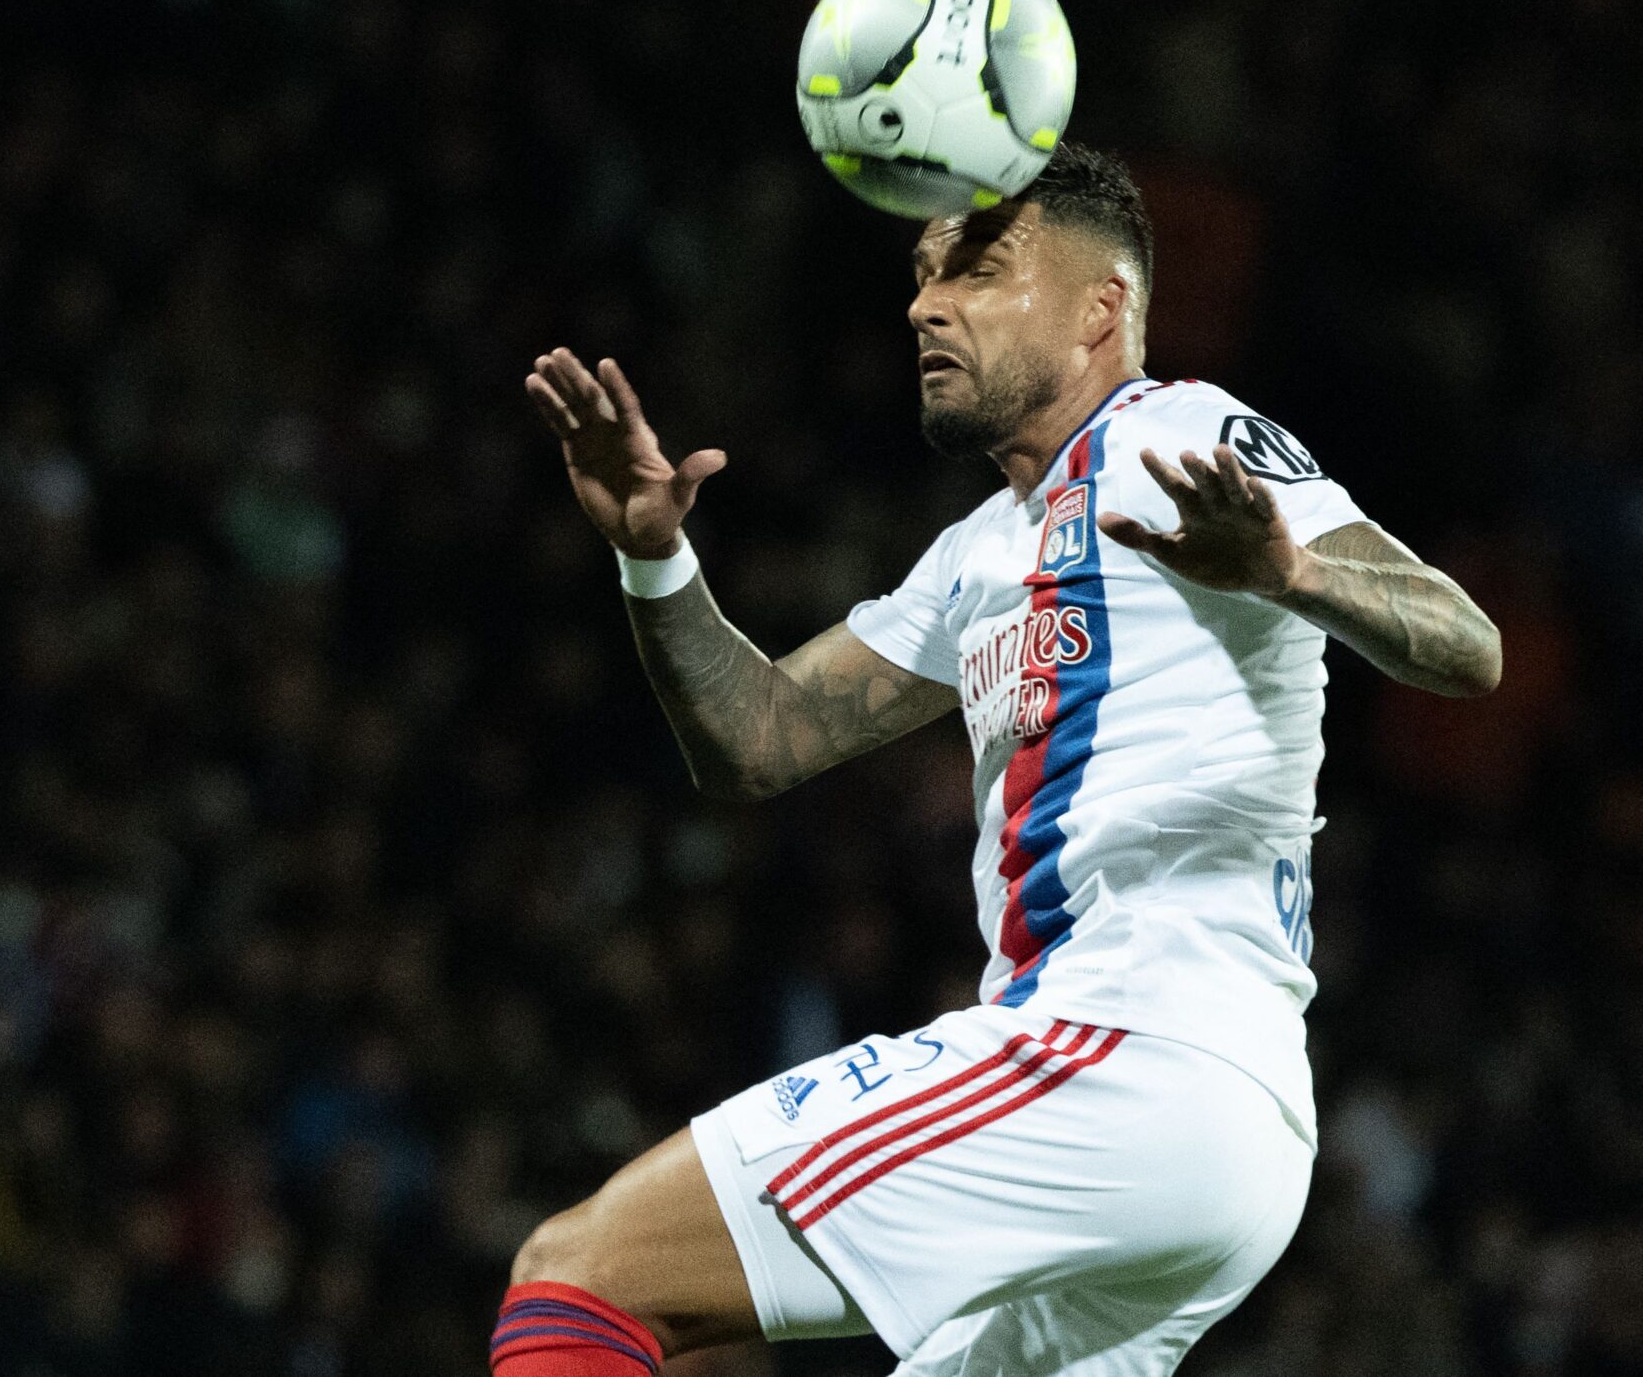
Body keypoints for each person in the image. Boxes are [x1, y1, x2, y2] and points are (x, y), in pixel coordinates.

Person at [504, 145, 1502, 1377]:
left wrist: (1291, 572)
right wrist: (654, 560)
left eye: (977, 271)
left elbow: (1467, 645)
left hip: (1132, 1047)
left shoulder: (1179, 434)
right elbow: (757, 739)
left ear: (1101, 309)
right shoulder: (976, 553)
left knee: (578, 1276)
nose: (928, 305)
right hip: (1189, 1129)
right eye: (923, 275)